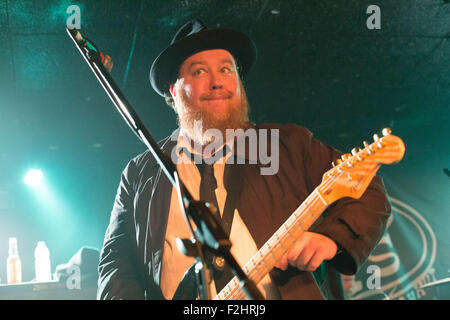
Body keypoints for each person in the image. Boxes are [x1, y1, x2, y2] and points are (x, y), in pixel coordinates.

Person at [97, 19, 391, 300]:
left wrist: (332, 238)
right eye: (199, 72)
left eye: (227, 70)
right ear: (173, 90)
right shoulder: (139, 172)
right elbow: (116, 262)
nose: (217, 82)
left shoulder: (289, 144)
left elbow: (367, 188)